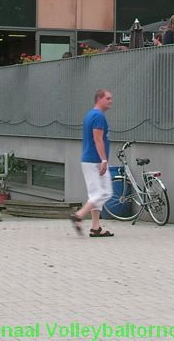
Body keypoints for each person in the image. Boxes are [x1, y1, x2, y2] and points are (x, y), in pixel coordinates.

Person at [71, 89, 115, 237]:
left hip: (89, 160)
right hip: (95, 161)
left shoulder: (90, 114)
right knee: (106, 192)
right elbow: (98, 139)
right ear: (99, 99)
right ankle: (79, 215)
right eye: (108, 98)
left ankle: (96, 227)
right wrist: (103, 160)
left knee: (95, 194)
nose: (111, 101)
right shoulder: (98, 116)